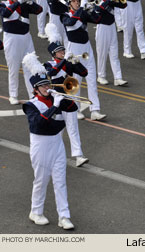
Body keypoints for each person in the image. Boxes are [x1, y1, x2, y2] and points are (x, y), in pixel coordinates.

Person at [22, 52, 77, 229]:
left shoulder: (55, 98)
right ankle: (36, 211)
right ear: (35, 89)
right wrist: (54, 106)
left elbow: (74, 107)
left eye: (47, 84)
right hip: (41, 145)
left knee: (60, 181)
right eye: (42, 86)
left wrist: (61, 95)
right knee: (41, 180)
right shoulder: (31, 105)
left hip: (57, 143)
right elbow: (38, 123)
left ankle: (64, 216)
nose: (46, 88)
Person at [44, 23, 89, 167]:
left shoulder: (68, 62)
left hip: (68, 97)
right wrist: (64, 61)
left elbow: (84, 73)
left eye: (63, 50)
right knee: (56, 129)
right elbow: (52, 73)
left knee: (73, 128)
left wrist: (75, 61)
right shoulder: (49, 64)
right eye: (59, 51)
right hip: (56, 100)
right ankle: (52, 155)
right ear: (54, 54)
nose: (63, 52)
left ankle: (78, 156)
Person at [61, 0, 107, 120]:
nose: (77, 3)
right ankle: (75, 109)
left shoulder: (82, 13)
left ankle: (95, 110)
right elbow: (70, 22)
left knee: (92, 79)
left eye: (79, 1)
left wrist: (92, 10)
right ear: (70, 3)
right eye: (75, 1)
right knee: (76, 81)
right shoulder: (65, 15)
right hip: (74, 50)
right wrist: (82, 8)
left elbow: (98, 20)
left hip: (87, 48)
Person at [0, 0, 42, 105]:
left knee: (30, 67)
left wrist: (31, 3)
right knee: (13, 68)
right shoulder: (4, 4)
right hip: (12, 38)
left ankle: (32, 95)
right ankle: (13, 95)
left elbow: (39, 10)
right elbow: (5, 13)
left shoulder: (25, 4)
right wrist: (18, 2)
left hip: (27, 38)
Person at [96, 0, 128, 86]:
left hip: (112, 27)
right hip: (102, 28)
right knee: (102, 54)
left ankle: (118, 78)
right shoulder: (97, 1)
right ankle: (101, 76)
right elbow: (98, 10)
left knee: (114, 53)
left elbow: (124, 5)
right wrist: (109, 1)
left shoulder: (110, 1)